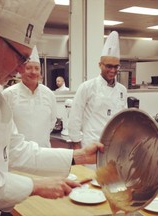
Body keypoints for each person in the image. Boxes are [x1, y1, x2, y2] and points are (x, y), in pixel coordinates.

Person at [0, 0, 103, 215]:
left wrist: (78, 156)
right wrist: (37, 186)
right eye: (21, 58)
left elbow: (15, 150)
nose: (22, 69)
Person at [67, 31, 127, 163]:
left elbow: (123, 119)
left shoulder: (122, 90)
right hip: (91, 145)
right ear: (100, 65)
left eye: (116, 66)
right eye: (109, 66)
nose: (113, 70)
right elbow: (75, 117)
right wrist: (76, 145)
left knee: (112, 180)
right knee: (92, 181)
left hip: (115, 147)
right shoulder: (87, 87)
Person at [2, 46, 56, 148]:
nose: (33, 72)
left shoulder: (49, 94)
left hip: (43, 152)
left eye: (37, 68)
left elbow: (51, 122)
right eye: (28, 68)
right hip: (18, 154)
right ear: (21, 71)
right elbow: (4, 125)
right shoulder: (8, 94)